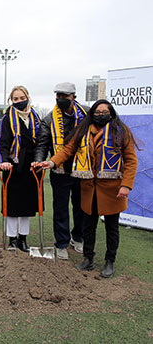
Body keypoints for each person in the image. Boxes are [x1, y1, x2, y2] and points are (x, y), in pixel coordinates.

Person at [37, 99, 138, 277]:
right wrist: (52, 162)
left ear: (111, 113)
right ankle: (88, 259)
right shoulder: (83, 130)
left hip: (113, 189)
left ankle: (109, 261)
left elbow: (131, 160)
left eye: (104, 112)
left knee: (112, 228)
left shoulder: (121, 131)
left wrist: (126, 186)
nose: (100, 115)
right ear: (92, 114)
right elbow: (68, 150)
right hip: (89, 188)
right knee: (88, 227)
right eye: (97, 112)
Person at [33, 82, 88, 260]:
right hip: (59, 170)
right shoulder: (49, 119)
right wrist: (40, 161)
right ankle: (62, 243)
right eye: (58, 95)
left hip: (82, 170)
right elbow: (42, 144)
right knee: (61, 208)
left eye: (65, 96)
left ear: (74, 97)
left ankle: (78, 238)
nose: (61, 99)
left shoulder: (87, 114)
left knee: (81, 207)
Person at [0, 86, 41, 252]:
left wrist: (39, 160)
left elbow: (40, 142)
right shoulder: (7, 119)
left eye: (22, 97)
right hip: (13, 165)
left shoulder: (36, 118)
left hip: (31, 167)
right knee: (12, 206)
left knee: (27, 206)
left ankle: (23, 239)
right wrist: (3, 161)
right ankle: (12, 239)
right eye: (15, 99)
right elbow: (2, 143)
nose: (19, 101)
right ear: (11, 101)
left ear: (28, 97)